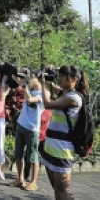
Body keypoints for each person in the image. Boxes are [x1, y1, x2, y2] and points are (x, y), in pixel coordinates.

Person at [40, 66, 88, 200]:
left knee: (63, 187)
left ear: (74, 80)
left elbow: (48, 104)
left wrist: (43, 84)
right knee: (56, 186)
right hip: (51, 147)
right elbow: (55, 86)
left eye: (63, 76)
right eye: (60, 75)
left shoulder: (73, 98)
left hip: (63, 149)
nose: (60, 78)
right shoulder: (64, 93)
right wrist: (49, 73)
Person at [9, 69, 46, 192]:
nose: (30, 80)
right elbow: (15, 79)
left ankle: (33, 182)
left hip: (32, 129)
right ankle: (20, 179)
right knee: (18, 154)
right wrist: (15, 73)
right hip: (21, 125)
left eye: (32, 78)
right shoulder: (29, 89)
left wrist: (25, 85)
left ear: (39, 80)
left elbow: (30, 100)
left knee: (33, 156)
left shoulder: (44, 94)